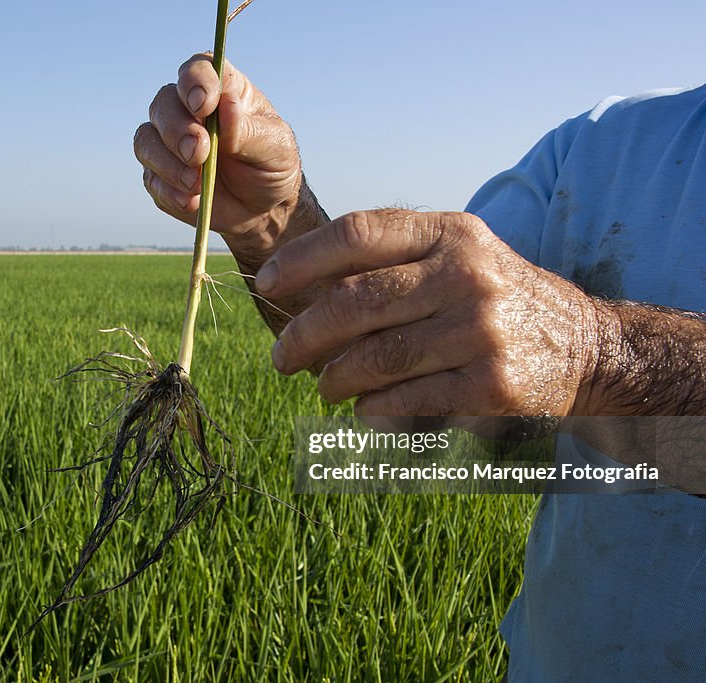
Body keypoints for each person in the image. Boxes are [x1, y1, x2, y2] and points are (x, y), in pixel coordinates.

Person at [135, 54, 706, 680]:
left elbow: (568, 347)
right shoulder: (604, 144)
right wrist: (272, 220)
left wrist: (594, 354)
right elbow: (421, 361)